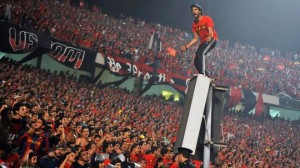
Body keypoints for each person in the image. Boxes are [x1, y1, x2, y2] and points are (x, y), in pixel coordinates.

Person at [180, 4, 218, 75]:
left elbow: (211, 31)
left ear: (200, 11)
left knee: (201, 53)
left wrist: (210, 37)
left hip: (212, 39)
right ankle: (206, 74)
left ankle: (203, 74)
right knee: (196, 61)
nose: (193, 11)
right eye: (192, 10)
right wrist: (186, 47)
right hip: (203, 42)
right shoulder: (194, 24)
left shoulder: (207, 18)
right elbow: (195, 38)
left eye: (195, 9)